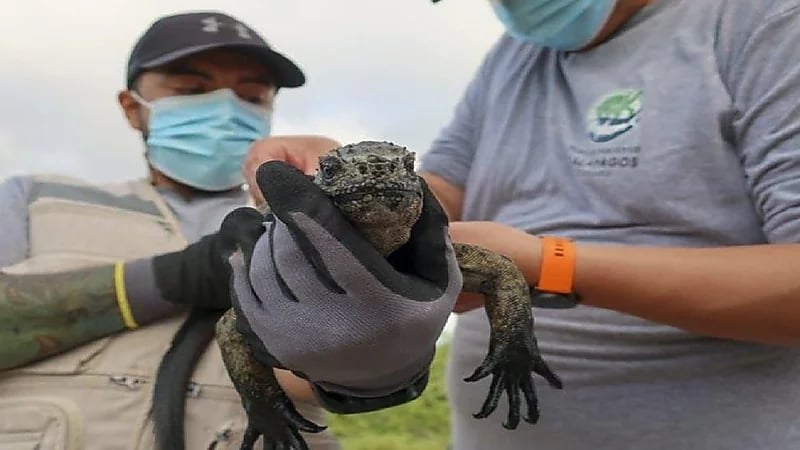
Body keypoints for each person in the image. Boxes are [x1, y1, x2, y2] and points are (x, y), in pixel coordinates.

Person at [244, 0, 800, 449]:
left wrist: (549, 264)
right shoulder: (514, 57)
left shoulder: (763, 22)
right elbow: (433, 199)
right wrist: (334, 175)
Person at [0, 11, 344, 450]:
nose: (225, 110)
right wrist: (181, 275)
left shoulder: (302, 215)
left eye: (252, 96)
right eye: (190, 91)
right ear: (131, 108)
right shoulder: (35, 198)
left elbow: (343, 372)